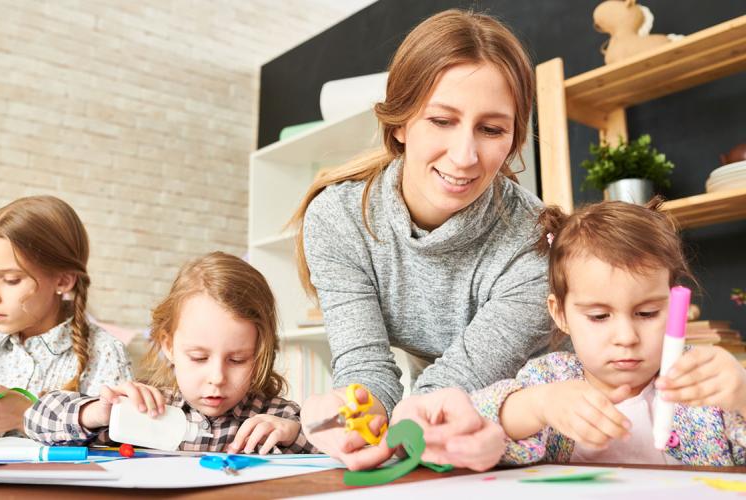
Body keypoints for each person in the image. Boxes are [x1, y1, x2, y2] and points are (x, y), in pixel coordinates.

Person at [290, 9, 551, 468]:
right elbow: (367, 369)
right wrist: (353, 412)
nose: (465, 156)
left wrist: (400, 426)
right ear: (399, 123)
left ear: (512, 141)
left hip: (539, 432)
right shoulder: (338, 220)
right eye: (441, 120)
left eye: (491, 129)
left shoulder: (536, 241)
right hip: (461, 438)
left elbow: (454, 383)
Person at [453, 199, 746, 466]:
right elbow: (470, 426)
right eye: (599, 316)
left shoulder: (702, 380)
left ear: (674, 306)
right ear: (561, 314)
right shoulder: (550, 379)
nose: (626, 337)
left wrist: (742, 395)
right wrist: (537, 406)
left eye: (647, 313)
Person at [24, 252, 317, 454]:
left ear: (260, 353)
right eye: (199, 358)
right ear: (168, 345)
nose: (216, 377)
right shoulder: (146, 409)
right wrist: (97, 412)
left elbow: (351, 445)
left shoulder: (277, 415)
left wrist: (294, 433)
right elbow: (35, 418)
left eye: (237, 359)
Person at [0, 195, 133, 442]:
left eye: (11, 280)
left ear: (63, 280)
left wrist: (24, 416)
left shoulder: (105, 353)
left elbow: (123, 439)